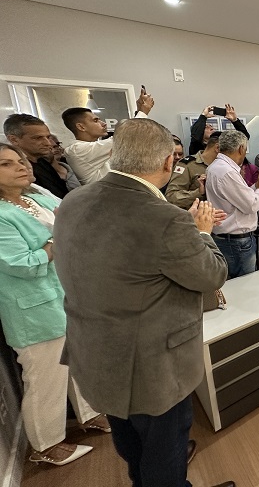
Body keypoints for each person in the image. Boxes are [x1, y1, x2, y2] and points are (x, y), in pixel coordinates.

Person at [54, 119, 234, 487]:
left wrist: (182, 230)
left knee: (130, 442)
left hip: (97, 353)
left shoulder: (74, 200)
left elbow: (125, 256)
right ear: (169, 161)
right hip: (153, 368)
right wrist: (201, 232)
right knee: (164, 453)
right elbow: (211, 275)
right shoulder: (165, 218)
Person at [0, 143, 108, 466]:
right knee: (46, 378)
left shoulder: (37, 197)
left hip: (67, 294)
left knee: (79, 361)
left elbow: (79, 219)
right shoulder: (2, 216)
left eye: (20, 160)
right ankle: (46, 445)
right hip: (33, 309)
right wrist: (59, 238)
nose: (21, 166)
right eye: (6, 164)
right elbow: (22, 263)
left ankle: (89, 414)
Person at [205, 130, 259, 278]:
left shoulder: (216, 167)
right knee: (245, 284)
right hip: (236, 242)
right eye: (245, 149)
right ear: (241, 148)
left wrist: (257, 185)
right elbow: (251, 205)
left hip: (228, 238)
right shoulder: (227, 172)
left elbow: (240, 197)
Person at [61, 87, 153, 184]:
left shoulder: (93, 147)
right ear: (81, 127)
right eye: (95, 120)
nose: (103, 123)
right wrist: (143, 112)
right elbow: (125, 137)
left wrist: (139, 110)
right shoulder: (76, 150)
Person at [3, 114, 68, 199]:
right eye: (38, 138)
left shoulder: (43, 162)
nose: (48, 143)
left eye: (48, 137)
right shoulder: (16, 172)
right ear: (14, 140)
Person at [165, 131, 222, 210]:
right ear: (217, 148)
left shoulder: (223, 167)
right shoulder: (187, 165)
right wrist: (199, 192)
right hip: (195, 214)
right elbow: (171, 197)